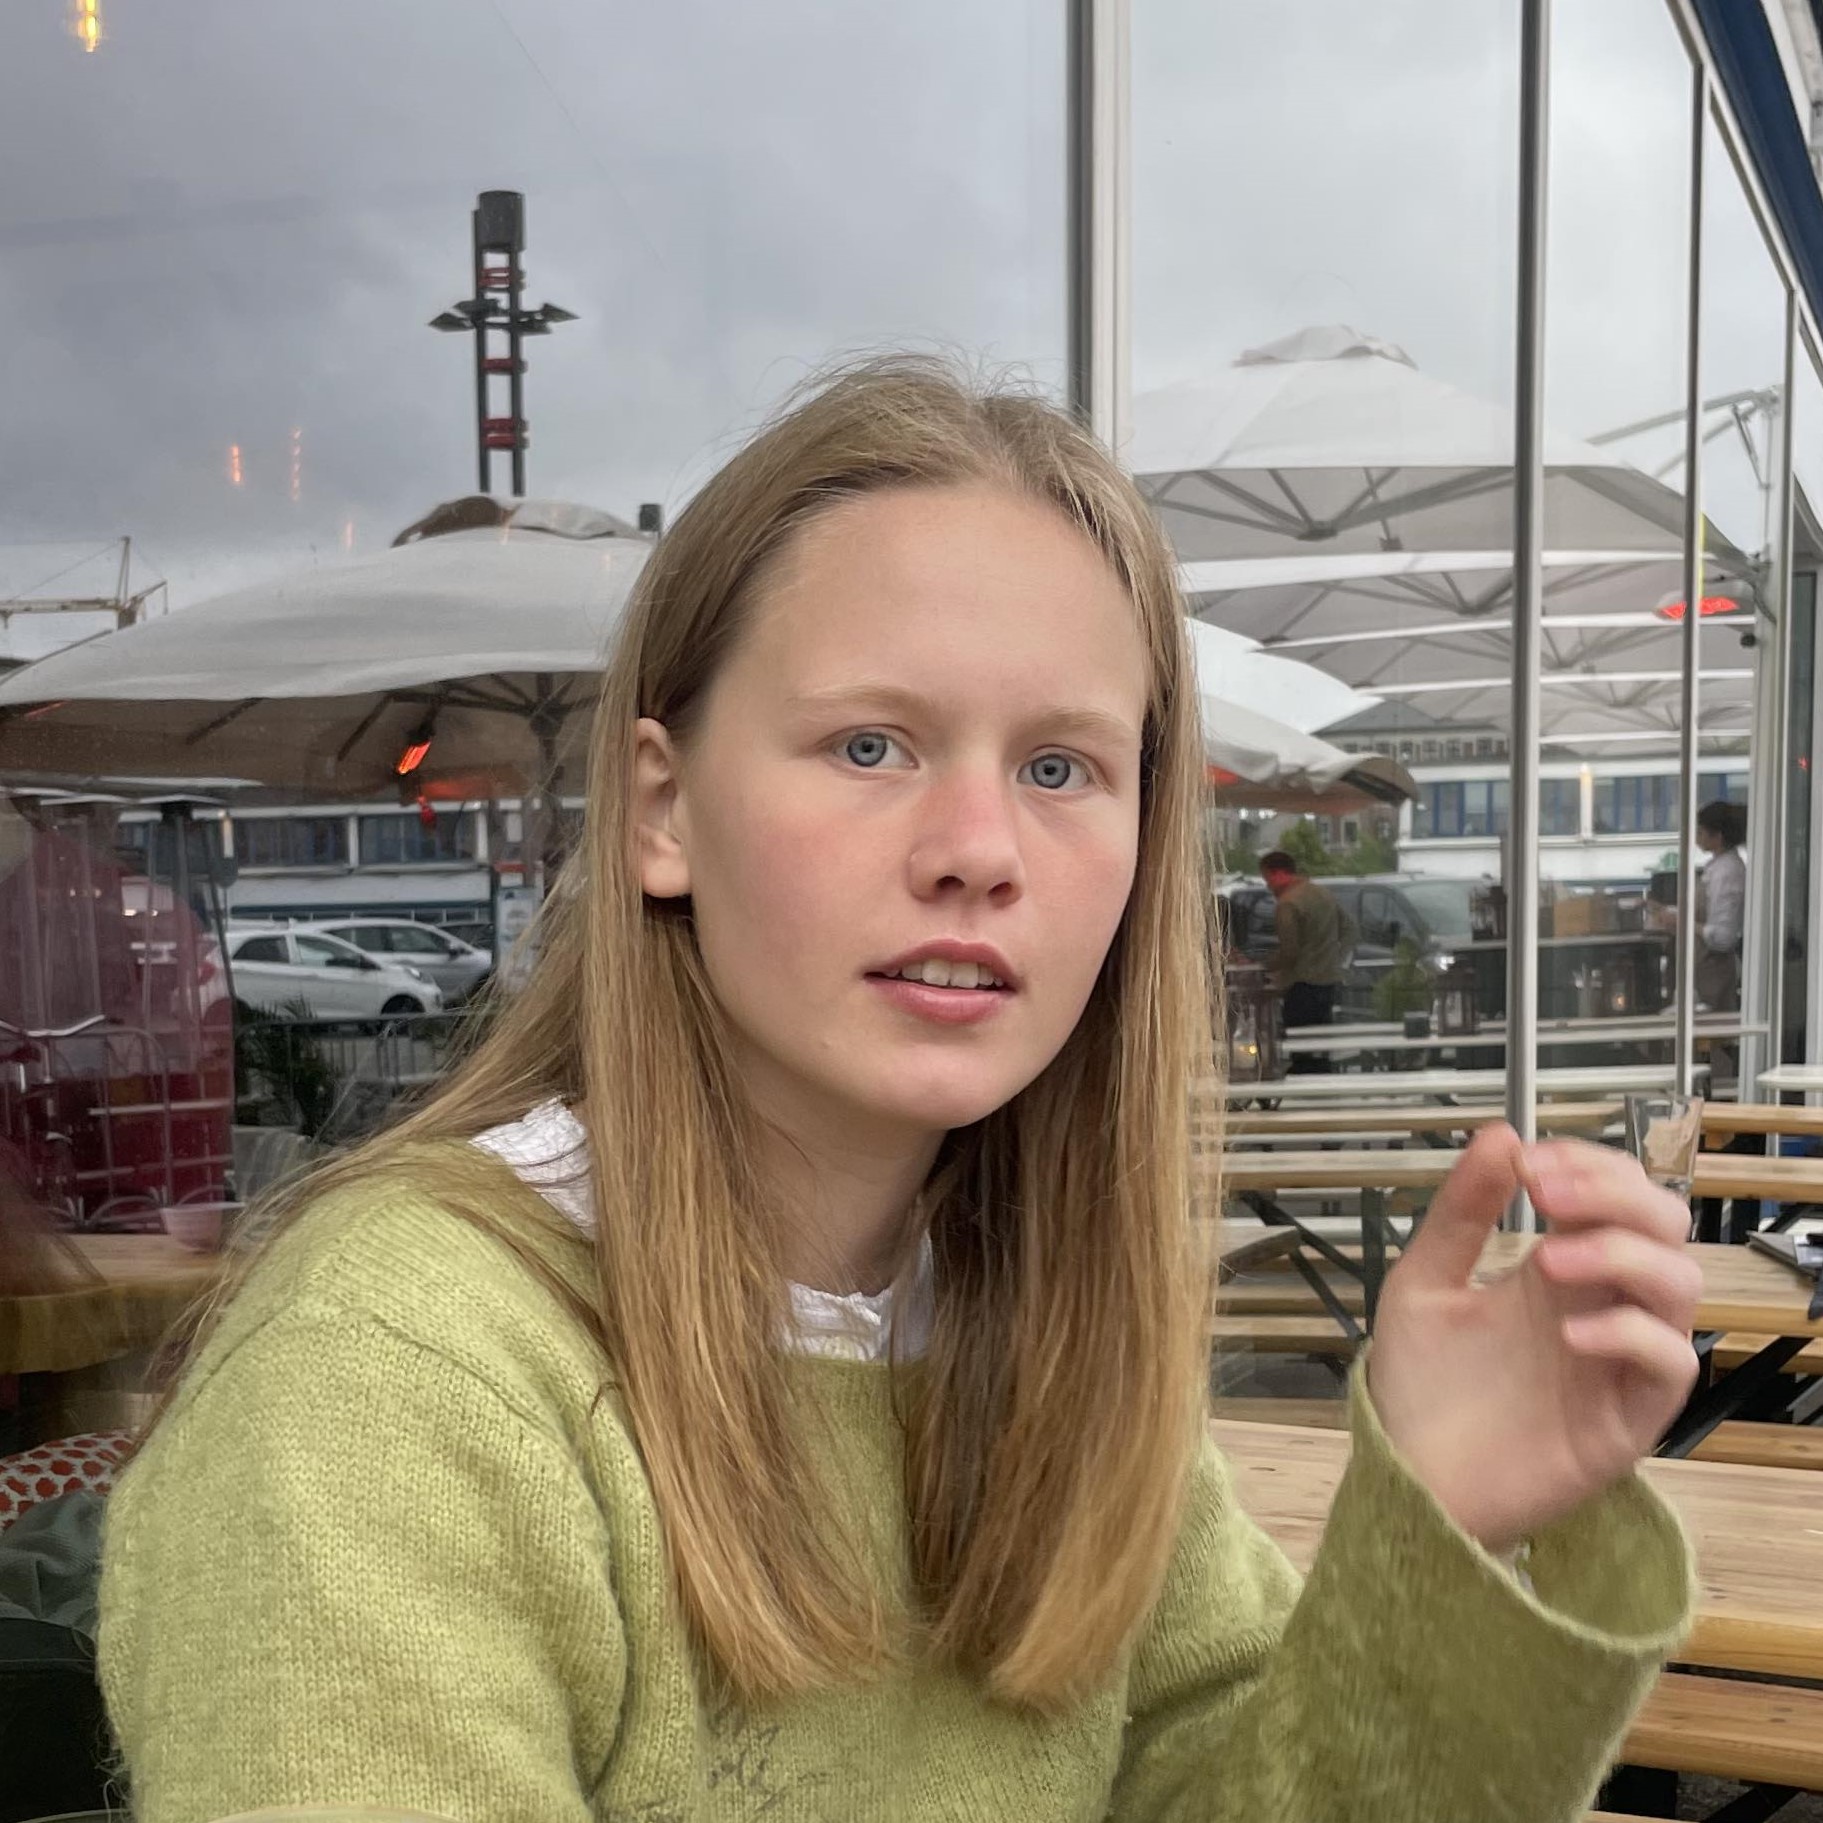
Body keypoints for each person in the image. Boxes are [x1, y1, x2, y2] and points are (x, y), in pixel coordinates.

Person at [99, 359, 1698, 1823]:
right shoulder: (391, 1366)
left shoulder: (1056, 1331)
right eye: (871, 744)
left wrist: (1438, 1531)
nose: (977, 848)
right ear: (661, 809)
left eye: (1060, 766)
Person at [1258, 848, 1351, 1072]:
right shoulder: (1322, 894)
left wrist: (1263, 967)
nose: (1268, 886)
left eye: (1267, 879)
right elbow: (1349, 928)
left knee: (1300, 1046)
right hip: (1328, 982)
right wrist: (1336, 960)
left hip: (1302, 986)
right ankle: (1322, 1078)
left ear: (1278, 874)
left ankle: (1303, 1080)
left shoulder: (1288, 903)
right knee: (1320, 1045)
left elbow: (1290, 951)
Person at [1693, 798, 1747, 1014]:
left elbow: (1723, 937)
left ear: (1718, 836)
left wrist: (1682, 923)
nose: (1696, 838)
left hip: (1715, 973)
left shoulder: (1727, 872)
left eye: (1700, 832)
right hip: (1705, 970)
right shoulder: (1717, 867)